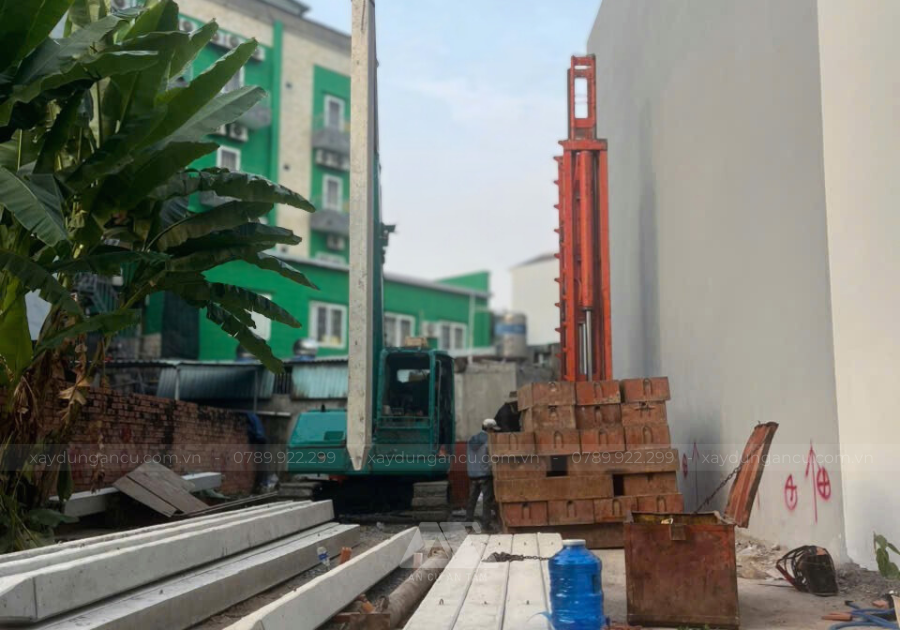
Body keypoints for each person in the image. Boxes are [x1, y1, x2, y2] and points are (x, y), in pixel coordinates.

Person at [465, 418, 500, 528]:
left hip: (473, 474)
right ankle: (486, 525)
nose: (494, 433)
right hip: (485, 474)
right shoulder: (489, 440)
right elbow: (492, 458)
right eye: (493, 430)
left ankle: (468, 523)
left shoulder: (471, 439)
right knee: (487, 501)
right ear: (489, 429)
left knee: (472, 500)